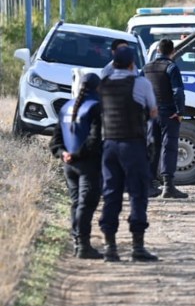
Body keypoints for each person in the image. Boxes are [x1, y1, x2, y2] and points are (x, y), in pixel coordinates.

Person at [97, 46, 160, 262]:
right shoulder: (140, 83)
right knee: (137, 193)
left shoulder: (102, 84)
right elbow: (153, 111)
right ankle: (137, 247)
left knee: (111, 194)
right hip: (133, 145)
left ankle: (110, 247)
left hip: (109, 146)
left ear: (113, 63)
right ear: (132, 64)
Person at [49, 73, 104, 259]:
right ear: (97, 88)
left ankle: (77, 243)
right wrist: (77, 155)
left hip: (68, 165)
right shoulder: (95, 107)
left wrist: (64, 154)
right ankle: (83, 246)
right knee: (86, 204)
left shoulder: (66, 106)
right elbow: (94, 140)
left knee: (76, 204)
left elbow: (55, 140)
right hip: (87, 164)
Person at [143, 39, 189, 199]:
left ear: (157, 51)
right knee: (169, 147)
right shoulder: (171, 67)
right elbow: (178, 91)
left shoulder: (146, 68)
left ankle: (148, 186)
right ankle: (168, 186)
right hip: (168, 113)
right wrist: (180, 111)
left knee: (151, 147)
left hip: (151, 114)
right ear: (172, 52)